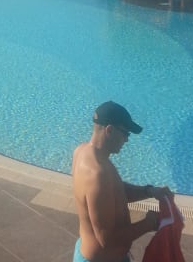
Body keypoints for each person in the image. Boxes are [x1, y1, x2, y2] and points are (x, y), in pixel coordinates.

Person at [72, 101, 173, 262]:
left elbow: (113, 192)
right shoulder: (97, 175)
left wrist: (149, 191)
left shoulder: (82, 152)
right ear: (109, 130)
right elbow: (108, 240)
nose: (126, 140)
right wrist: (149, 223)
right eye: (125, 133)